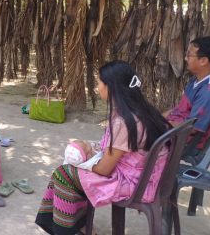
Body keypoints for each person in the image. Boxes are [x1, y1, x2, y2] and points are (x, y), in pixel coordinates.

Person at [35, 61, 171, 234]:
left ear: (111, 88)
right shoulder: (143, 109)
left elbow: (105, 169)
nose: (97, 86)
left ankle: (67, 229)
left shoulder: (124, 121)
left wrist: (83, 163)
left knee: (64, 174)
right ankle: (80, 227)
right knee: (70, 173)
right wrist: (91, 149)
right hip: (146, 176)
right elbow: (116, 148)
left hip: (132, 183)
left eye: (99, 82)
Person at [164, 36, 210, 150]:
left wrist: (160, 125)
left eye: (189, 55)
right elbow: (179, 109)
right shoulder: (200, 78)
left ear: (203, 61)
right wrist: (156, 118)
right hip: (173, 129)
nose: (186, 58)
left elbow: (191, 129)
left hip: (182, 141)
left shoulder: (209, 93)